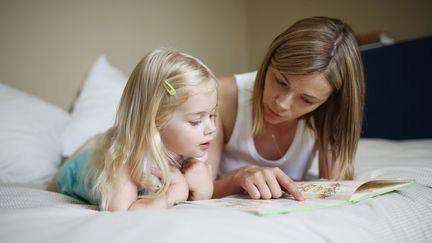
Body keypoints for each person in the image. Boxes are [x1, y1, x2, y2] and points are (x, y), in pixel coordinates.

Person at [207, 16, 365, 200]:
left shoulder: (330, 111)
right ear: (268, 62)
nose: (282, 103)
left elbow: (336, 187)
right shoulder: (221, 95)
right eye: (280, 81)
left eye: (307, 100)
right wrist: (238, 178)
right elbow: (198, 190)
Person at [48, 48, 218, 211]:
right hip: (79, 169)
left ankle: (98, 140)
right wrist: (176, 189)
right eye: (196, 121)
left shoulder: (193, 151)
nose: (212, 128)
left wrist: (204, 189)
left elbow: (199, 198)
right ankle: (92, 143)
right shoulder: (128, 158)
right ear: (156, 120)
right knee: (65, 173)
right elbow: (121, 212)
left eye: (212, 115)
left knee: (100, 140)